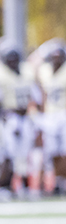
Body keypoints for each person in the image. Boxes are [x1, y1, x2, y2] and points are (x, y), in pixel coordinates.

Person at [0, 38, 38, 199]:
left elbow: (37, 97)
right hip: (7, 119)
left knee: (25, 154)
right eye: (9, 59)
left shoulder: (27, 72)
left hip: (25, 118)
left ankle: (25, 186)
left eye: (15, 58)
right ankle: (4, 186)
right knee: (6, 154)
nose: (13, 62)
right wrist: (7, 117)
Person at [38, 39, 66, 194]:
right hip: (50, 115)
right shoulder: (44, 71)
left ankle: (63, 181)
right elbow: (43, 93)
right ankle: (58, 180)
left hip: (63, 113)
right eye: (54, 56)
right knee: (53, 151)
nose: (57, 59)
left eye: (59, 56)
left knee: (64, 150)